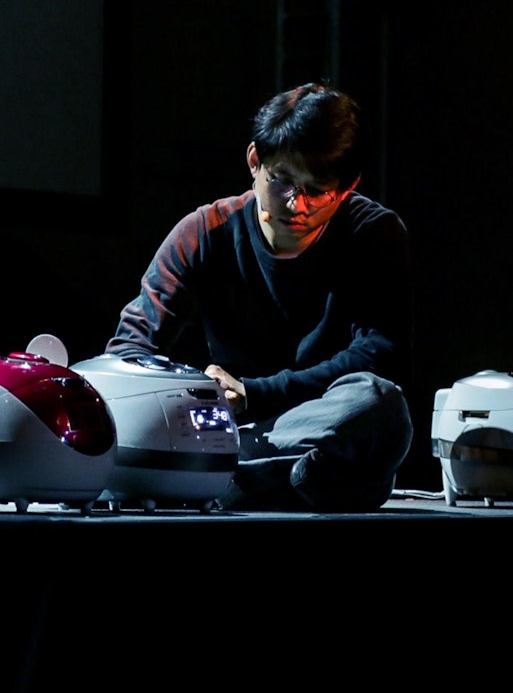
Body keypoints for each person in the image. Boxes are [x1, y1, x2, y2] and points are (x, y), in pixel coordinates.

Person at [105, 82, 414, 512]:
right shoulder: (204, 232)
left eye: (318, 189)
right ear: (255, 162)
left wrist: (253, 394)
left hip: (317, 423)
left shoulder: (372, 233)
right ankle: (270, 476)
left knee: (378, 404)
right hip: (225, 426)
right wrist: (194, 396)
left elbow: (380, 352)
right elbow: (130, 351)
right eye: (283, 181)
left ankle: (232, 476)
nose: (297, 204)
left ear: (346, 188)